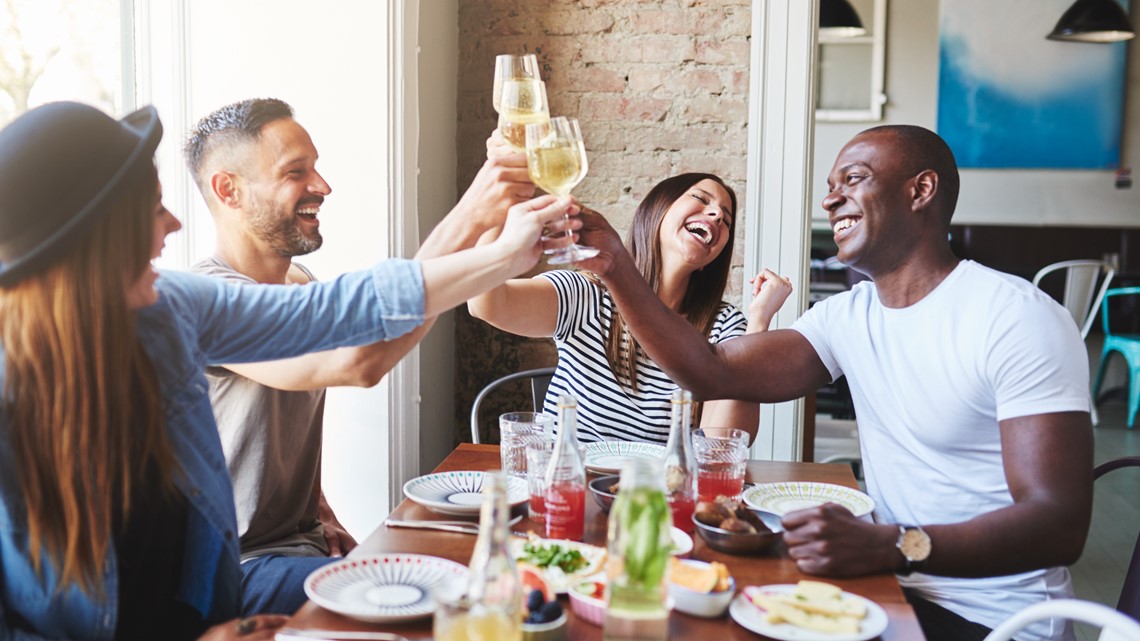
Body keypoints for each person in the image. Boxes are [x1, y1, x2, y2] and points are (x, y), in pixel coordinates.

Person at [0, 101, 575, 640]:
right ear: (89, 242)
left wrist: (500, 255)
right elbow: (359, 359)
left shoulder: (171, 306)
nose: (173, 223)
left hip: (213, 597)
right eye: (151, 209)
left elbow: (349, 311)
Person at [574, 125, 1092, 641]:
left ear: (921, 190)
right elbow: (711, 369)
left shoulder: (1016, 317)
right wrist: (617, 266)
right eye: (830, 184)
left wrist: (893, 546)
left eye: (854, 178)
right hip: (889, 586)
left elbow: (1059, 523)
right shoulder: (848, 316)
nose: (830, 198)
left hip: (996, 621)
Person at [182, 98, 535, 615]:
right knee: (451, 592)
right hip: (233, 566)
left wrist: (317, 510)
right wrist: (476, 218)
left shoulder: (301, 284)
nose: (322, 186)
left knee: (479, 558)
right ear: (228, 189)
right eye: (295, 172)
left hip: (292, 549)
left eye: (316, 167)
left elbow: (378, 329)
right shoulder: (206, 300)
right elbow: (358, 361)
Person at [469, 171, 793, 444]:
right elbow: (486, 303)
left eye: (726, 216)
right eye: (701, 199)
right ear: (658, 210)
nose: (717, 215)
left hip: (654, 503)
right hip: (566, 490)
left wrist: (759, 323)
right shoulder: (586, 294)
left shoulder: (724, 325)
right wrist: (504, 203)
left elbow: (722, 445)